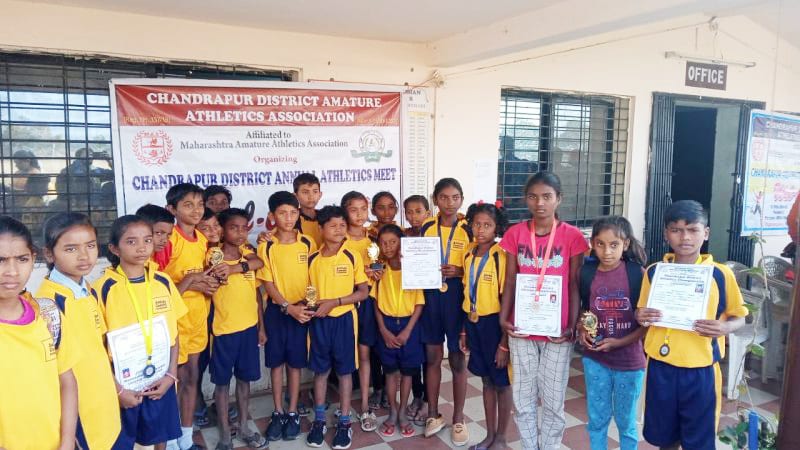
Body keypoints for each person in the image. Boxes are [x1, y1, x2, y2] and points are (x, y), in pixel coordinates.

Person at [636, 200, 748, 450]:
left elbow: (739, 317)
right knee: (664, 437)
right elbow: (640, 314)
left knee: (698, 440)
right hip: (661, 366)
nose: (684, 237)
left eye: (693, 229)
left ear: (705, 233)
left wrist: (723, 329)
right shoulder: (655, 272)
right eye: (676, 230)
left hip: (701, 370)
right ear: (666, 234)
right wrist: (640, 315)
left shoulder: (720, 274)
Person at [498, 171, 589, 450]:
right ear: (526, 199)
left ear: (558, 200)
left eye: (547, 197)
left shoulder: (572, 236)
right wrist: (504, 317)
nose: (540, 203)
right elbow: (511, 279)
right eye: (534, 196)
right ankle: (529, 446)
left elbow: (574, 283)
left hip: (557, 329)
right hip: (522, 327)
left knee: (552, 398)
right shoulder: (515, 233)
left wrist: (572, 325)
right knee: (523, 398)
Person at [95, 215, 187, 449]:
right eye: (131, 242)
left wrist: (171, 376)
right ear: (115, 248)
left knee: (160, 435)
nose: (142, 247)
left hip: (160, 377)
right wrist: (118, 389)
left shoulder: (162, 281)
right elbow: (97, 347)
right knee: (122, 440)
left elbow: (173, 337)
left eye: (147, 240)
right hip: (124, 384)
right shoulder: (101, 289)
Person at [35, 212, 122, 449]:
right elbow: (53, 374)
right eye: (71, 249)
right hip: (81, 416)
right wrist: (66, 433)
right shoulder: (48, 304)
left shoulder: (89, 290)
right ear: (49, 254)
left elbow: (98, 349)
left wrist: (117, 387)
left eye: (91, 246)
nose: (84, 256)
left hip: (105, 407)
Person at [0, 216, 79, 450]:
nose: (12, 271)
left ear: (33, 259)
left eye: (22, 259)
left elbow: (67, 381)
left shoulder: (47, 314)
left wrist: (66, 441)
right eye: (1, 260)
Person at [577, 216, 647, 450]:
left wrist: (618, 343)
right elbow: (584, 311)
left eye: (614, 245)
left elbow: (645, 326)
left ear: (625, 244)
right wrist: (582, 329)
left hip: (630, 362)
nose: (607, 251)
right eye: (600, 244)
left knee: (626, 421)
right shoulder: (586, 273)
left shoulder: (638, 274)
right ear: (592, 243)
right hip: (595, 359)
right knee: (597, 419)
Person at [306, 205, 370, 450]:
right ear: (320, 229)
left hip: (344, 321)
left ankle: (344, 421)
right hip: (319, 322)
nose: (338, 229)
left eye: (342, 225)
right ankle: (320, 419)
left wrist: (336, 302)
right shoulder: (313, 259)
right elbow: (309, 291)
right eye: (332, 225)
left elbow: (363, 292)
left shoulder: (352, 255)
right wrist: (311, 306)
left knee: (345, 372)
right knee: (320, 371)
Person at [163, 183, 219, 450]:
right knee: (173, 381)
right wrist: (190, 283)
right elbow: (157, 289)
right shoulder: (167, 240)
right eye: (188, 205)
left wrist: (209, 285)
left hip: (197, 318)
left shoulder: (202, 239)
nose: (196, 211)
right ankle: (171, 441)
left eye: (199, 205)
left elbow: (201, 277)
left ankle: (185, 439)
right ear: (172, 209)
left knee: (192, 378)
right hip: (174, 323)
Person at [259, 191, 317, 442]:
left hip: (302, 310)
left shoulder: (308, 243)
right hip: (277, 311)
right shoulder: (266, 245)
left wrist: (305, 307)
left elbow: (314, 278)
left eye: (293, 213)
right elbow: (268, 283)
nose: (289, 218)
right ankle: (278, 411)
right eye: (282, 213)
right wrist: (286, 306)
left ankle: (292, 411)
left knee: (295, 363)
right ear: (272, 216)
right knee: (276, 364)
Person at [209, 208, 268, 450]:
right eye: (234, 227)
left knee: (245, 381)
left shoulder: (247, 254)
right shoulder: (214, 254)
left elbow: (258, 274)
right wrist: (232, 267)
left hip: (249, 330)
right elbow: (218, 269)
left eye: (245, 227)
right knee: (222, 384)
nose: (241, 232)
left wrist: (261, 328)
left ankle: (244, 426)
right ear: (222, 230)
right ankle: (225, 432)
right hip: (224, 331)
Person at [419, 178, 471, 445]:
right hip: (430, 298)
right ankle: (432, 413)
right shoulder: (426, 227)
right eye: (443, 197)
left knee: (458, 359)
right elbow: (417, 258)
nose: (449, 203)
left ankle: (459, 418)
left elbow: (477, 264)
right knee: (432, 356)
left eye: (455, 197)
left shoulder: (469, 229)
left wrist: (460, 271)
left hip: (457, 299)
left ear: (462, 199)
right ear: (435, 199)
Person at [459, 203, 512, 450]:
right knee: (486, 381)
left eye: (487, 225)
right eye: (477, 224)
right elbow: (466, 293)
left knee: (501, 382)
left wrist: (504, 342)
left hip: (495, 326)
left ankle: (501, 437)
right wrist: (463, 330)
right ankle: (489, 435)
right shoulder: (469, 254)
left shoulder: (501, 257)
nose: (481, 230)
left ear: (496, 227)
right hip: (474, 323)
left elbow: (506, 302)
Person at [373, 224, 425, 438]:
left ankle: (403, 411)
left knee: (407, 374)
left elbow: (419, 303)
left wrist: (407, 331)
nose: (388, 247)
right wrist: (384, 330)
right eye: (383, 243)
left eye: (393, 242)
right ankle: (393, 413)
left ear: (401, 243)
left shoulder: (412, 267)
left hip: (409, 326)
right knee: (391, 372)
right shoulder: (378, 269)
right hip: (386, 324)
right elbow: (375, 303)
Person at [341, 190, 381, 431]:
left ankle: (365, 406)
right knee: (344, 355)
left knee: (365, 353)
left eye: (362, 209)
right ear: (345, 211)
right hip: (344, 303)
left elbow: (382, 264)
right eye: (353, 209)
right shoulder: (337, 238)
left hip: (367, 302)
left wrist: (377, 272)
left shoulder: (374, 238)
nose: (358, 214)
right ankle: (340, 406)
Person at [401, 194, 431, 422]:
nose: (414, 217)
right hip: (410, 302)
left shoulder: (434, 234)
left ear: (428, 212)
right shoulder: (403, 236)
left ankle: (429, 401)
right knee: (414, 355)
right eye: (409, 212)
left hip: (431, 301)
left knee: (429, 355)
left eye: (418, 211)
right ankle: (417, 395)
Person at [135, 204, 175, 271]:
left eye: (168, 235)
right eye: (158, 233)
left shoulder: (161, 255)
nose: (165, 240)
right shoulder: (134, 261)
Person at [294, 173, 324, 247]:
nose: (311, 196)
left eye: (315, 191)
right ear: (295, 196)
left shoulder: (326, 217)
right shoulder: (292, 219)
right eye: (305, 192)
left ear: (320, 195)